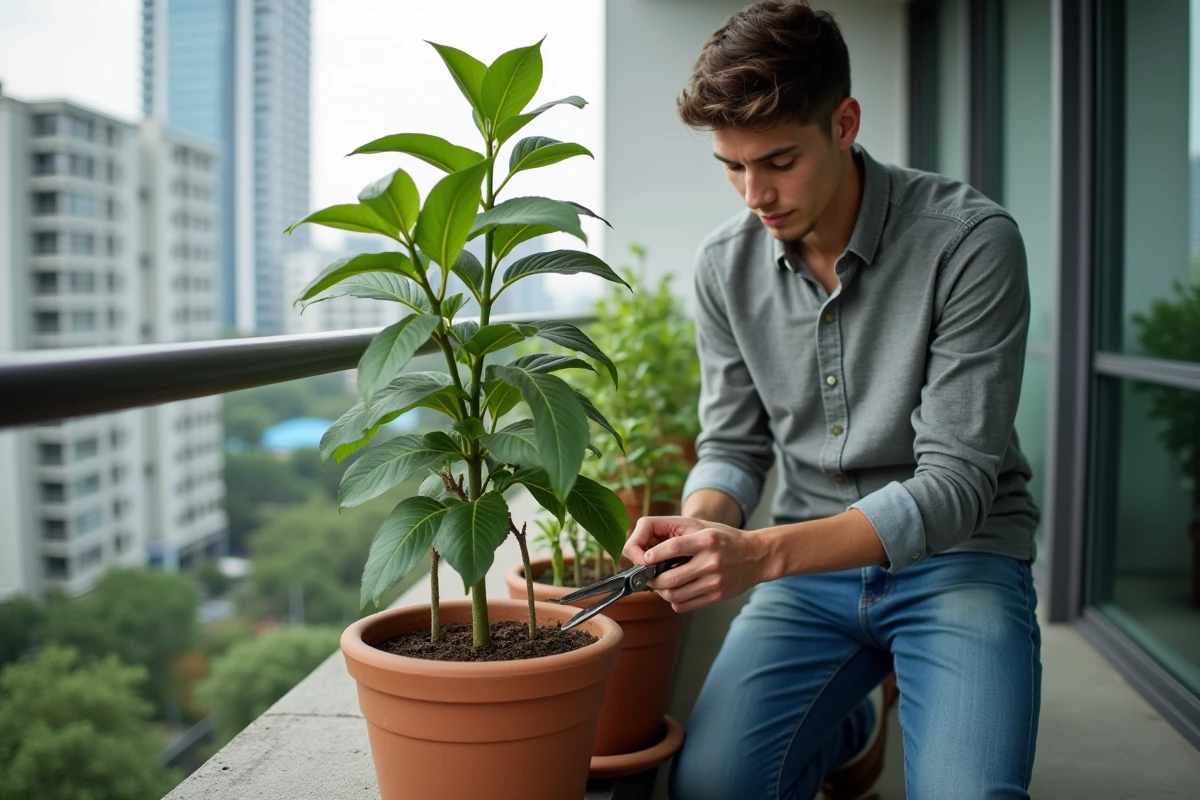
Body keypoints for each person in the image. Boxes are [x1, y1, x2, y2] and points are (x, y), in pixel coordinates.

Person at [622, 2, 1043, 798]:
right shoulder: (722, 266)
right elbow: (733, 445)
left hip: (960, 560)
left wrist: (758, 556)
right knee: (709, 789)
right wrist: (703, 527)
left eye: (778, 161)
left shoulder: (971, 242)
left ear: (844, 123)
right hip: (810, 577)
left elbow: (955, 486)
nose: (754, 194)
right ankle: (850, 722)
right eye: (731, 165)